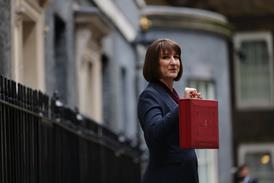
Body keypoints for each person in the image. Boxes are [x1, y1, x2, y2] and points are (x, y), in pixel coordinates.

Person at [137, 38, 201, 183]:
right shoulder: (149, 96)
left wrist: (195, 110)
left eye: (176, 57)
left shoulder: (171, 96)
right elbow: (155, 132)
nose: (173, 62)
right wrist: (183, 106)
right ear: (154, 63)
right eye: (166, 57)